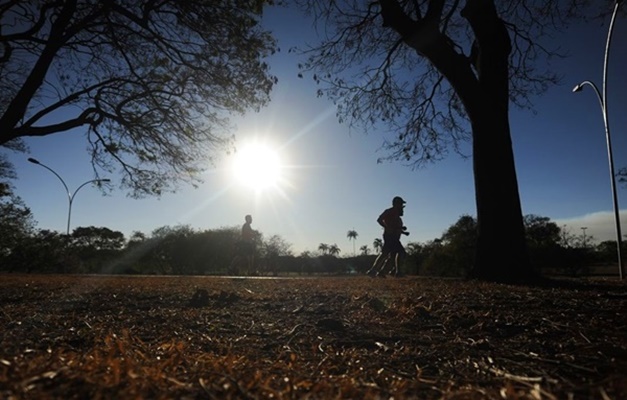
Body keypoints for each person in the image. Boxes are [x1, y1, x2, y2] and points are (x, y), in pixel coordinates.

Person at [367, 196, 409, 277]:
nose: (402, 207)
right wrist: (386, 227)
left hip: (393, 237)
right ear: (396, 204)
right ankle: (397, 272)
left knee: (389, 255)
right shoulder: (390, 211)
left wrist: (403, 232)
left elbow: (395, 227)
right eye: (400, 204)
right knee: (400, 252)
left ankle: (379, 271)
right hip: (390, 236)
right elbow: (379, 219)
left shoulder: (397, 217)